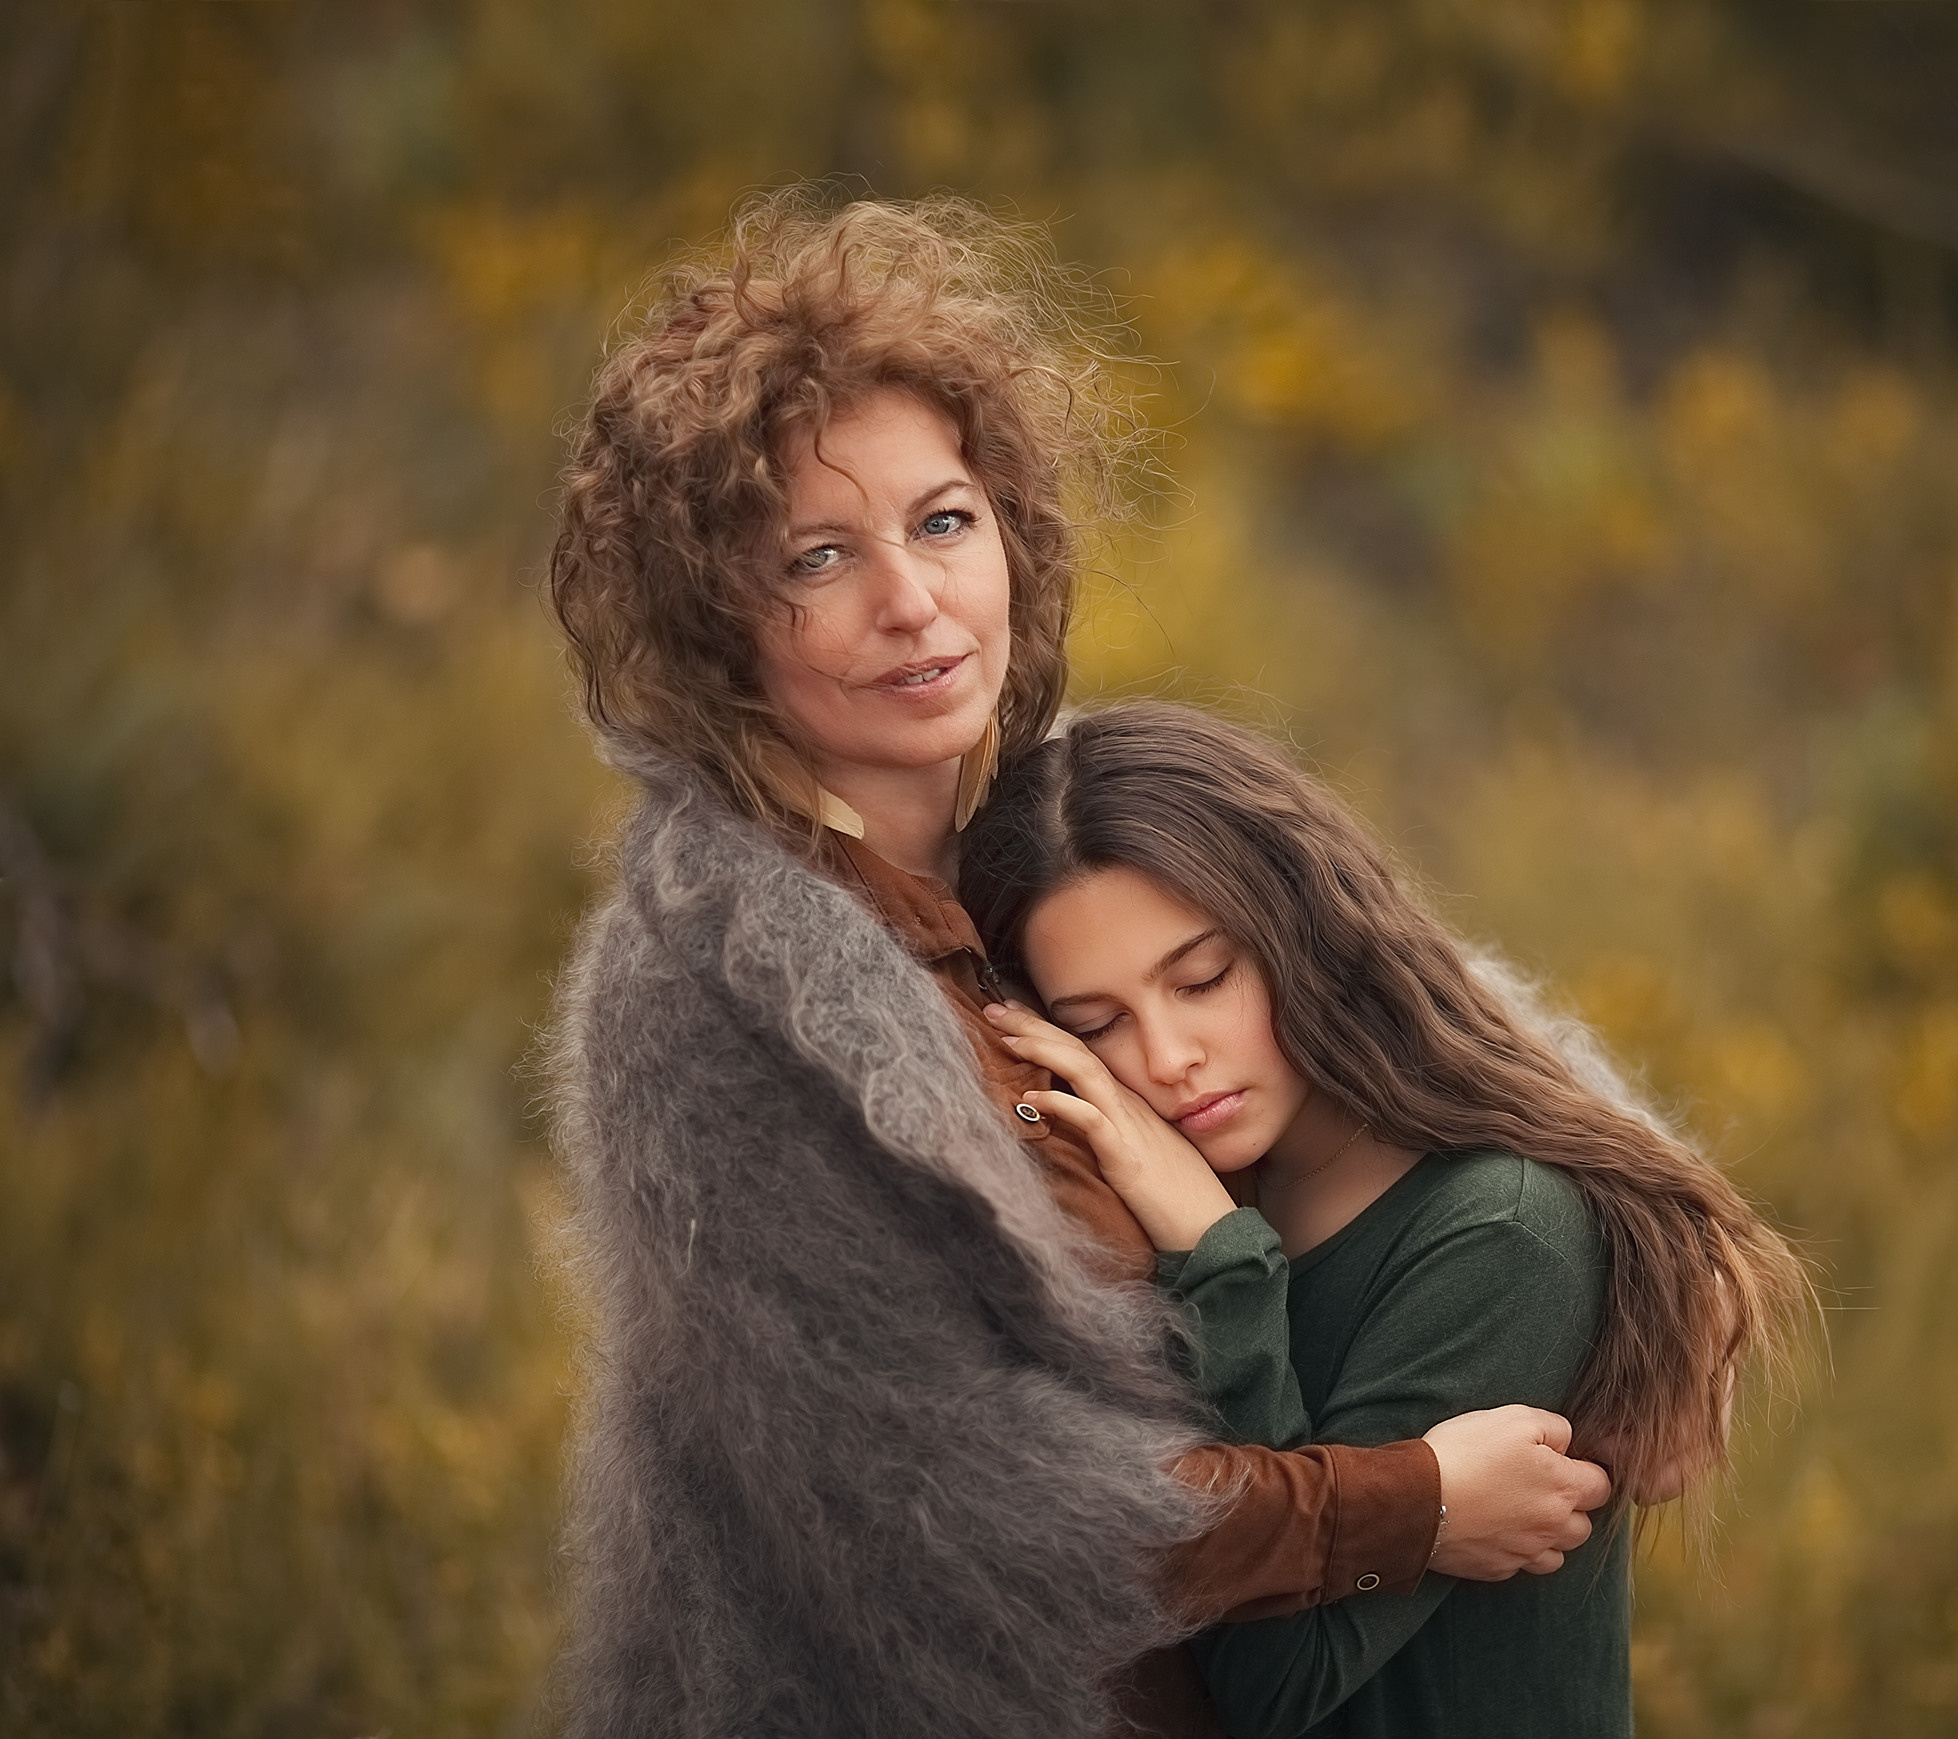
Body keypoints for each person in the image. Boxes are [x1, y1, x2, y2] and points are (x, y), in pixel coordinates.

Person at [539, 191, 1614, 1739]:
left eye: (941, 521)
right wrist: (1402, 1500)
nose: (909, 600)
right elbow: (938, 1484)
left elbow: (1406, 1028)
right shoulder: (696, 990)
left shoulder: (1049, 838)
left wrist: (1595, 1229)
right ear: (714, 620)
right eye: (816, 556)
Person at [959, 702, 1810, 1739]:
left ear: (1300, 935)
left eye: (1201, 978)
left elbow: (1278, 1684)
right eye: (1097, 1025)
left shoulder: (1496, 1229)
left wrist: (1224, 1266)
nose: (1166, 1054)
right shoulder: (1202, 1188)